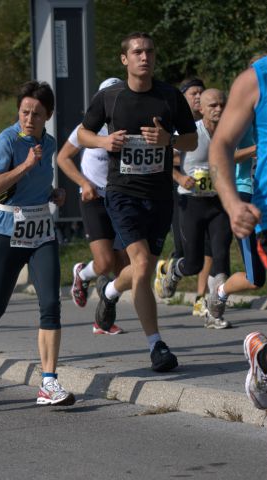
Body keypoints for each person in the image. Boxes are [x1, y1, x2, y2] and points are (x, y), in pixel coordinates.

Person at [77, 32, 197, 372]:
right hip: (123, 193)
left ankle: (112, 291)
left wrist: (168, 139)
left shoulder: (170, 97)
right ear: (124, 59)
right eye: (137, 52)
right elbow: (83, 134)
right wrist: (103, 141)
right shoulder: (110, 97)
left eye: (149, 52)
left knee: (140, 271)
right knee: (143, 265)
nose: (145, 57)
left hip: (159, 196)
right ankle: (156, 345)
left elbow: (190, 139)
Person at [0, 80, 75, 405]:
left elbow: (43, 182)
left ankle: (48, 382)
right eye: (25, 112)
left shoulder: (52, 142)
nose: (29, 118)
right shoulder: (6, 141)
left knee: (51, 304)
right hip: (6, 231)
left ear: (48, 116)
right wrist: (26, 165)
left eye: (37, 114)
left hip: (41, 229)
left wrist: (54, 194)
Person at [209, 54, 267, 409]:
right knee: (255, 277)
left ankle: (261, 355)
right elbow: (221, 145)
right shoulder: (255, 79)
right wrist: (232, 204)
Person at [156, 89, 233, 329]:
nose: (218, 109)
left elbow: (234, 158)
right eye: (213, 105)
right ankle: (173, 271)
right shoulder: (190, 132)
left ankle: (214, 312)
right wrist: (179, 178)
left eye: (222, 104)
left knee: (221, 260)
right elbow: (163, 158)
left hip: (218, 203)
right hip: (190, 203)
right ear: (201, 108)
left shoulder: (229, 133)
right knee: (194, 264)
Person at [57, 77, 128, 335]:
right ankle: (83, 274)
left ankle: (104, 319)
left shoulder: (131, 124)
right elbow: (62, 158)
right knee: (106, 262)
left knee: (126, 265)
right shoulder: (88, 128)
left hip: (123, 199)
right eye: (108, 97)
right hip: (94, 197)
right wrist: (84, 183)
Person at [159, 77, 213, 317]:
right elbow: (162, 157)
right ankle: (168, 268)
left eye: (202, 92)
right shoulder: (175, 124)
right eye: (194, 93)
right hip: (179, 190)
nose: (199, 96)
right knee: (186, 251)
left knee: (210, 247)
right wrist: (180, 175)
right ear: (183, 97)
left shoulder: (211, 124)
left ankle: (202, 299)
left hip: (208, 192)